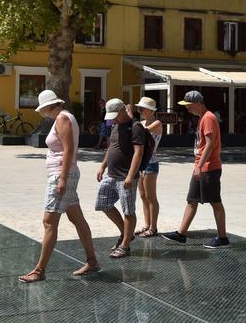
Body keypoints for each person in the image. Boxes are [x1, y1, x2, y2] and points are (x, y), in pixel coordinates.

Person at [20, 90, 101, 281]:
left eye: (42, 109)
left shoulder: (62, 118)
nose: (42, 113)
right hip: (64, 173)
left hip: (61, 175)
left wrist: (62, 178)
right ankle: (92, 261)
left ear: (48, 106)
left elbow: (69, 150)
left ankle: (39, 271)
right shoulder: (64, 117)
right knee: (77, 218)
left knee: (49, 221)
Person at [163, 90, 229, 248]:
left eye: (189, 105)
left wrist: (200, 166)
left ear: (199, 104)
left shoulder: (208, 118)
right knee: (192, 199)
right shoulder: (202, 118)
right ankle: (181, 234)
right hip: (201, 166)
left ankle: (223, 238)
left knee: (215, 201)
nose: (187, 108)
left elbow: (210, 144)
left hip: (209, 167)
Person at [95, 98, 145, 259]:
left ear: (123, 110)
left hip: (125, 177)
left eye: (116, 115)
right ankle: (126, 233)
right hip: (111, 175)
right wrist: (102, 166)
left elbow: (138, 152)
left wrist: (130, 175)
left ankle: (125, 245)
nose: (114, 119)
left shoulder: (135, 126)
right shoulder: (115, 125)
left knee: (128, 211)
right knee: (103, 203)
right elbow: (111, 147)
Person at [132, 97, 164, 238]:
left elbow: (142, 133)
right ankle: (146, 225)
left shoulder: (157, 123)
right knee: (143, 196)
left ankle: (153, 227)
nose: (140, 111)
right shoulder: (141, 123)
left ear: (151, 111)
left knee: (151, 196)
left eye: (142, 109)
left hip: (151, 163)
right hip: (141, 163)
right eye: (139, 109)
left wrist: (130, 119)